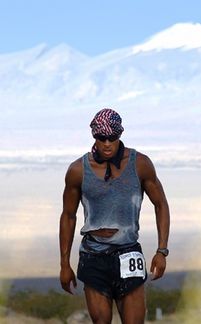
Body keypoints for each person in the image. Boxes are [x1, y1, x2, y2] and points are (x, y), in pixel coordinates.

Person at [59, 108, 170, 324]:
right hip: (93, 255)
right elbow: (68, 216)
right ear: (94, 137)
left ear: (120, 135)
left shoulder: (140, 164)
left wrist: (162, 250)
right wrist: (64, 263)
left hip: (128, 252)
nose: (107, 143)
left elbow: (161, 204)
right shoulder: (78, 171)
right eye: (102, 138)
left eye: (113, 137)